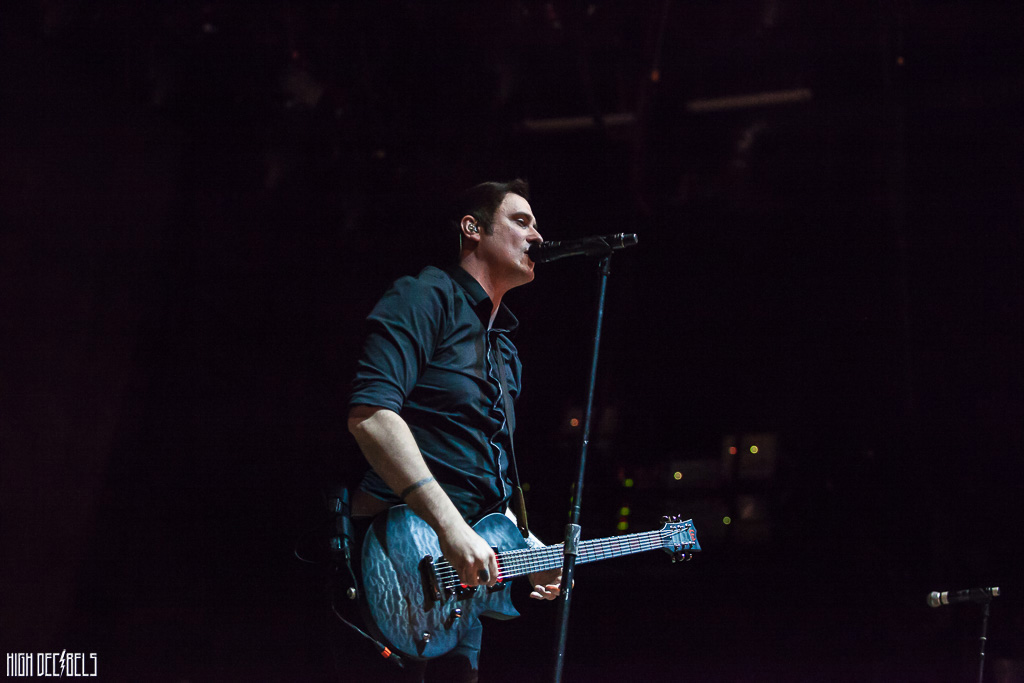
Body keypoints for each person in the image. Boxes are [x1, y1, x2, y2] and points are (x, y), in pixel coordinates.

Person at [345, 180, 561, 681]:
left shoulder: (504, 350)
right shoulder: (425, 296)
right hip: (395, 560)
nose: (537, 236)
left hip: (458, 588)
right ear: (473, 228)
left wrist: (530, 549)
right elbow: (371, 415)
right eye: (521, 222)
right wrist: (451, 528)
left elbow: (489, 475)